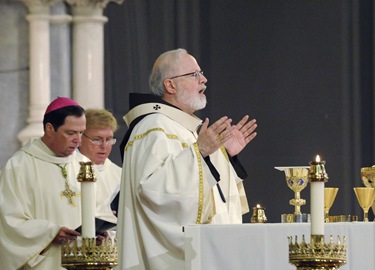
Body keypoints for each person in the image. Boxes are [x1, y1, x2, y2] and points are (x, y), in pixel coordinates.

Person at [116, 48, 258, 270]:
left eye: (200, 73)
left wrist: (226, 156)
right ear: (170, 85)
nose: (204, 79)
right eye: (194, 74)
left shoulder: (187, 127)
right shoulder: (153, 126)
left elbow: (215, 194)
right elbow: (154, 191)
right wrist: (200, 151)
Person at [0, 97, 85, 269]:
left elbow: (99, 208)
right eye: (70, 133)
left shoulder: (83, 163)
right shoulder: (19, 165)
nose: (78, 140)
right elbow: (9, 221)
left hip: (83, 260)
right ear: (50, 129)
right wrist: (51, 233)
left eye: (81, 133)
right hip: (46, 262)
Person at [77, 108, 121, 224]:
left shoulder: (120, 175)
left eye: (109, 140)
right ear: (80, 138)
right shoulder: (69, 169)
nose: (104, 146)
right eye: (97, 139)